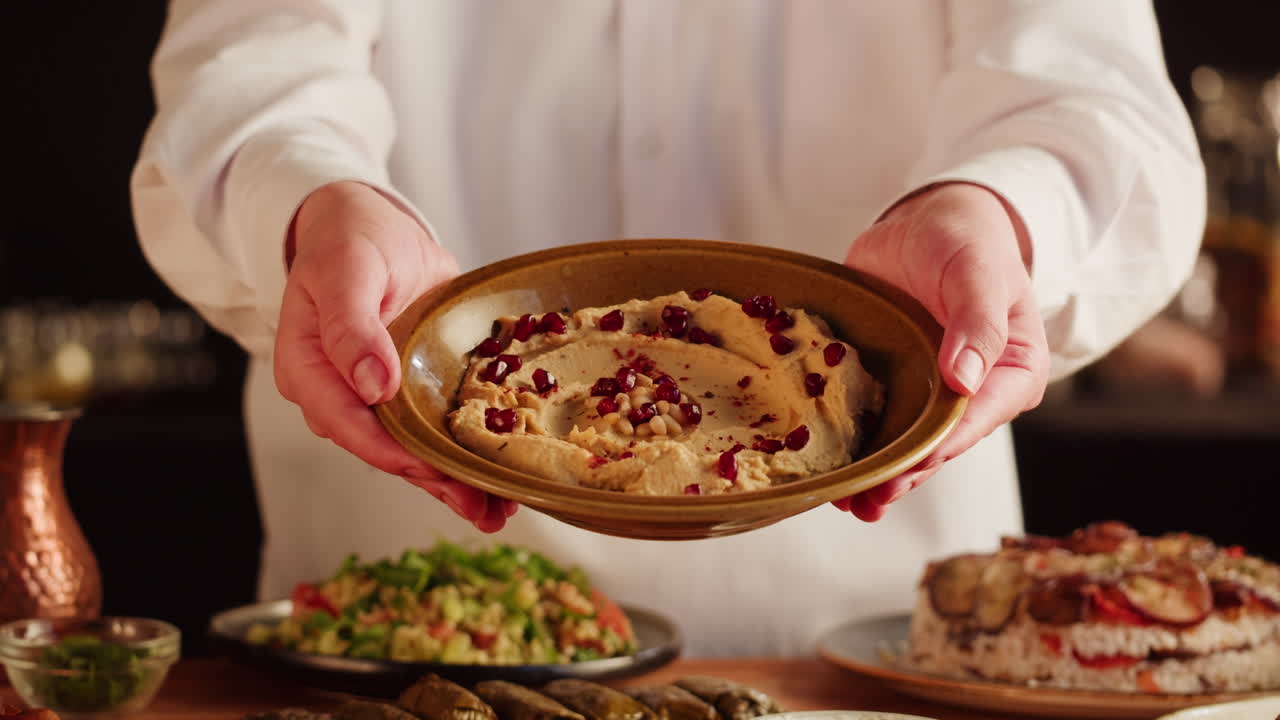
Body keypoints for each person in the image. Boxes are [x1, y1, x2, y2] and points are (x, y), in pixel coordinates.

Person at [131, 1, 1205, 655]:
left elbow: (1094, 92)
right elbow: (246, 68)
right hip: (409, 614)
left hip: (871, 639)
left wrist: (998, 212)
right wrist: (311, 204)